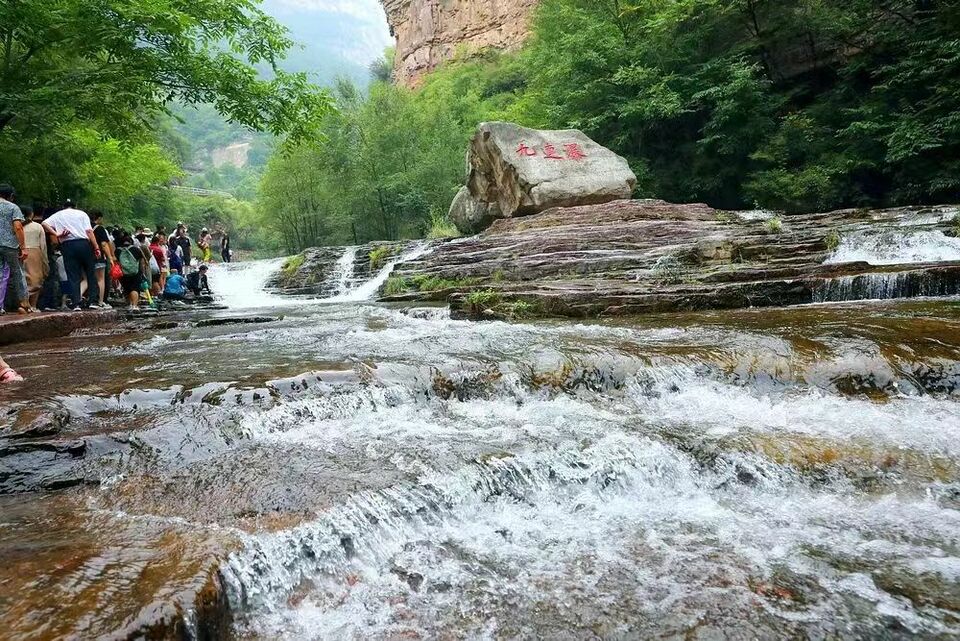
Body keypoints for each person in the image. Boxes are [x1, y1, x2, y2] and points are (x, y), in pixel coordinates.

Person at [41, 202, 103, 310]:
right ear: (75, 207)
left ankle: (76, 303)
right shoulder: (82, 214)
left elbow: (44, 223)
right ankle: (93, 301)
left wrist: (56, 234)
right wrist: (96, 247)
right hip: (83, 244)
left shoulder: (58, 215)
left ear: (63, 207)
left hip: (67, 245)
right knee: (90, 272)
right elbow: (89, 231)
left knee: (72, 275)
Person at [0, 184, 32, 314]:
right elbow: (18, 227)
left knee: (1, 274)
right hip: (9, 246)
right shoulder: (13, 207)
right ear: (11, 196)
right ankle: (24, 304)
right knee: (17, 272)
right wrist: (23, 247)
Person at [21, 206, 49, 311]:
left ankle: (23, 304)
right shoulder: (37, 226)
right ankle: (32, 306)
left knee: (22, 279)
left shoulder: (16, 226)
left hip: (19, 252)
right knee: (36, 280)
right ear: (31, 214)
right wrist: (45, 260)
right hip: (34, 253)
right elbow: (43, 245)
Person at [114, 230, 145, 310]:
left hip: (123, 273)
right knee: (135, 288)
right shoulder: (136, 249)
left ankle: (129, 304)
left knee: (127, 289)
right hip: (135, 272)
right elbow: (142, 263)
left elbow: (115, 262)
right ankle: (134, 306)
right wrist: (142, 272)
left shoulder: (118, 251)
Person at [91, 211, 115, 308]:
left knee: (88, 279)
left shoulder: (84, 227)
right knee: (101, 279)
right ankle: (100, 301)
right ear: (99, 218)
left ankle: (80, 300)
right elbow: (104, 244)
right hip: (98, 256)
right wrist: (110, 257)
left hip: (86, 257)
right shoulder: (100, 229)